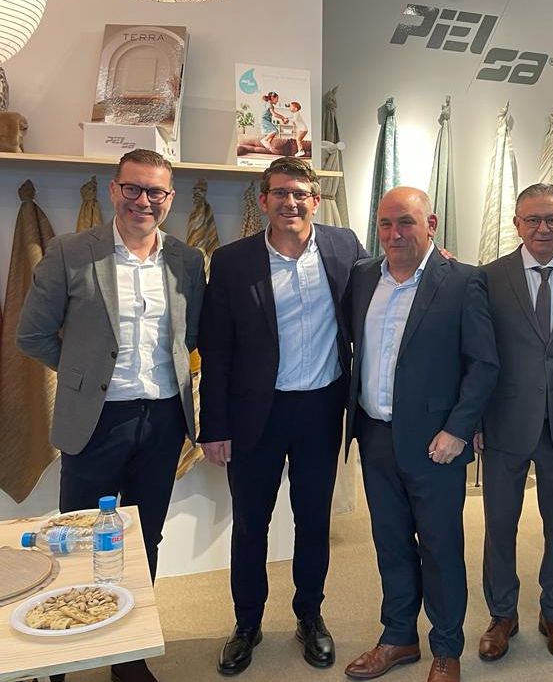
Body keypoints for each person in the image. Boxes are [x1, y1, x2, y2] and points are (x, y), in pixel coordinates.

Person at [18, 148, 204, 682]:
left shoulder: (188, 260)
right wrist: (83, 373)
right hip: (94, 421)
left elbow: (192, 335)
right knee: (77, 540)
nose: (144, 200)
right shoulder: (70, 251)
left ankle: (128, 653)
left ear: (169, 198)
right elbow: (32, 334)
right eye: (133, 188)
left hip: (163, 420)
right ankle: (65, 647)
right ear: (113, 189)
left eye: (156, 191)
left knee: (145, 540)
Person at [198, 156, 368, 676]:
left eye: (299, 193)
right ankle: (246, 623)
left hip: (321, 409)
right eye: (279, 193)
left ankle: (310, 617)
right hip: (256, 414)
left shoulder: (344, 247)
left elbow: (385, 286)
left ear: (315, 200)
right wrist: (214, 426)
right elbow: (216, 350)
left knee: (313, 521)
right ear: (263, 200)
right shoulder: (233, 261)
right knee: (252, 524)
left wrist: (437, 261)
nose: (290, 202)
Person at [344, 187, 499, 682]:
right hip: (375, 435)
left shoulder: (463, 281)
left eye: (406, 222)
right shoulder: (363, 275)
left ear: (430, 224)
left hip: (437, 444)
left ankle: (446, 649)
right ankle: (398, 637)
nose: (395, 234)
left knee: (440, 548)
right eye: (386, 223)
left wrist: (458, 429)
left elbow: (484, 364)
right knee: (390, 544)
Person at [475, 183, 553, 664]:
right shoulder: (490, 277)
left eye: (552, 219)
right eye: (532, 219)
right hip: (504, 421)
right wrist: (476, 419)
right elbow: (479, 353)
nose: (542, 228)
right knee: (499, 525)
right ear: (517, 224)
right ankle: (502, 614)